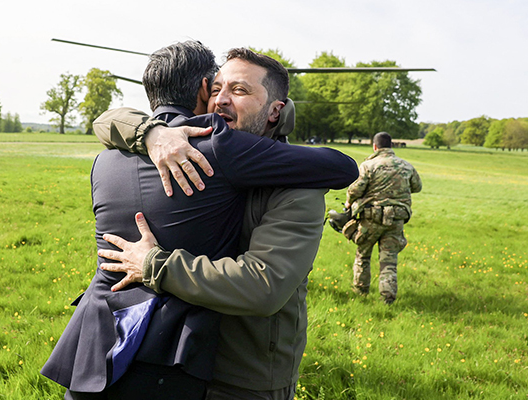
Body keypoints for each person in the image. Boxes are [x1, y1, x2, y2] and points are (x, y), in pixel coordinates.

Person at [41, 41, 358, 400]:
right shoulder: (186, 147)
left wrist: (155, 264)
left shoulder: (296, 184)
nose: (221, 100)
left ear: (275, 111)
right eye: (217, 88)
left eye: (239, 90)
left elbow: (264, 284)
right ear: (203, 90)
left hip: (240, 374)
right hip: (175, 360)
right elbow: (106, 120)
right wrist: (152, 133)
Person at [344, 131, 422, 304]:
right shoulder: (406, 166)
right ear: (391, 145)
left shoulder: (368, 165)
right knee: (389, 260)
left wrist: (349, 203)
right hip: (396, 219)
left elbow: (355, 189)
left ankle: (360, 292)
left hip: (371, 218)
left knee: (363, 255)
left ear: (374, 146)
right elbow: (417, 187)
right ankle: (388, 297)